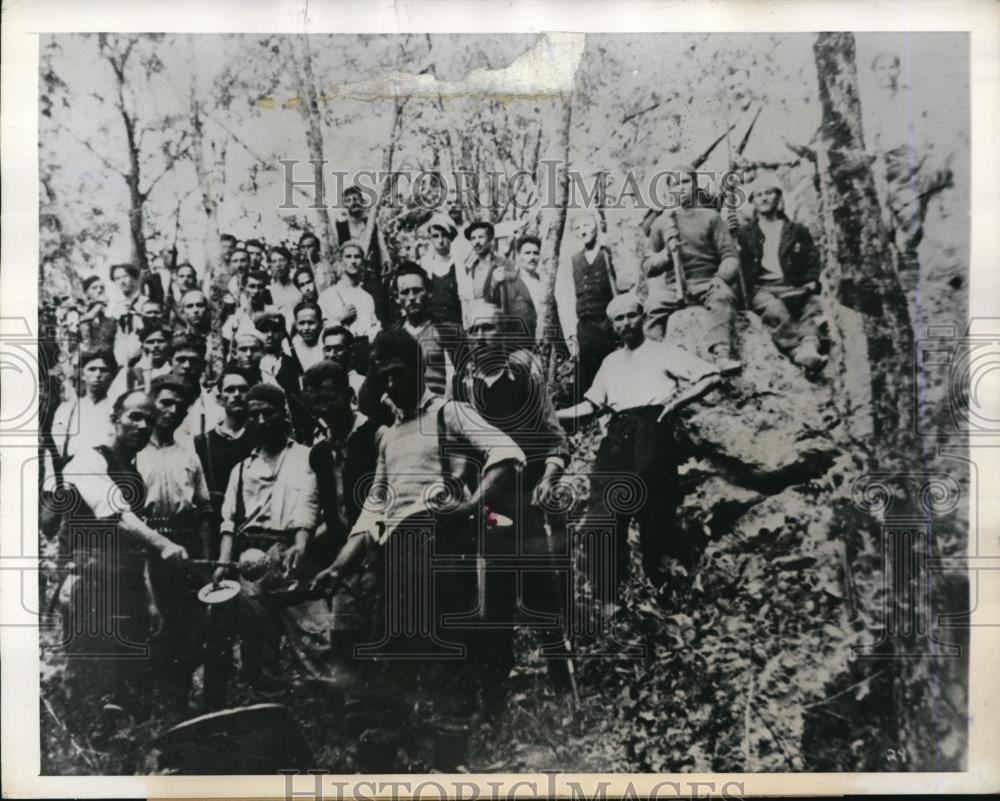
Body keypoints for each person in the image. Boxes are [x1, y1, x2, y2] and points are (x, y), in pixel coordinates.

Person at [312, 328, 526, 770]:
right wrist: (337, 567)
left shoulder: (451, 412)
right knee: (390, 651)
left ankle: (451, 763)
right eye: (382, 375)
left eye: (398, 372)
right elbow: (374, 510)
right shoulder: (387, 436)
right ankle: (383, 760)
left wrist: (471, 503)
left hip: (443, 543)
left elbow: (506, 453)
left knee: (446, 650)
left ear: (419, 368)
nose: (390, 383)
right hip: (396, 552)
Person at [557, 294, 721, 594]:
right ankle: (610, 592)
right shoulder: (611, 361)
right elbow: (591, 406)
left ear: (642, 317)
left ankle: (661, 586)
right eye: (618, 319)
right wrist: (552, 415)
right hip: (618, 436)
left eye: (631, 316)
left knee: (654, 510)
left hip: (653, 431)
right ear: (612, 326)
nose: (626, 323)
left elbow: (711, 375)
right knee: (602, 511)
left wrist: (676, 404)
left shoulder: (663, 352)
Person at [454, 300, 574, 690]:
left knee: (544, 592)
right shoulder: (463, 388)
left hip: (530, 500)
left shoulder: (527, 377)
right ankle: (494, 691)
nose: (483, 337)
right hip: (488, 505)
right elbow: (459, 453)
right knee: (495, 600)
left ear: (503, 334)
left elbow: (557, 439)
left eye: (490, 328)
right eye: (475, 330)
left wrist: (550, 477)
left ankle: (563, 682)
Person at [58, 390, 188, 733]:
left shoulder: (135, 476)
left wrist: (150, 601)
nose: (143, 425)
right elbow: (114, 513)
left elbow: (135, 547)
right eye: (134, 417)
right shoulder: (88, 459)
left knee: (129, 684)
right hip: (91, 585)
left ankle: (132, 756)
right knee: (93, 679)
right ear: (115, 418)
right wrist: (164, 543)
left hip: (127, 585)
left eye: (149, 419)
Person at [213, 383, 320, 687]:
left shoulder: (307, 457)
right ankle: (261, 698)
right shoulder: (243, 467)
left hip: (292, 552)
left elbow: (311, 507)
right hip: (251, 559)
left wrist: (299, 545)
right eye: (254, 415)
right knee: (257, 636)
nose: (261, 422)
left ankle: (325, 697)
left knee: (313, 633)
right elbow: (229, 522)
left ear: (283, 413)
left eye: (268, 414)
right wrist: (223, 563)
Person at [136, 375, 213, 713]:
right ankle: (150, 704)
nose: (172, 411)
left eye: (179, 406)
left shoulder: (189, 454)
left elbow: (205, 508)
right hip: (148, 544)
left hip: (186, 543)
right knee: (155, 623)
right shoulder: (133, 454)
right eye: (165, 402)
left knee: (190, 627)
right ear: (151, 404)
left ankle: (180, 702)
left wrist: (208, 563)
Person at [301, 361, 380, 678]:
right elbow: (321, 507)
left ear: (349, 396)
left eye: (330, 400)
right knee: (344, 638)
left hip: (378, 555)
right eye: (316, 403)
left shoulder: (376, 437)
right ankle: (353, 714)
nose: (324, 410)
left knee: (380, 639)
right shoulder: (319, 452)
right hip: (343, 561)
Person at [643, 165, 741, 373]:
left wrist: (721, 277)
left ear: (695, 185)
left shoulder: (711, 218)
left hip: (707, 281)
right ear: (669, 191)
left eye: (685, 182)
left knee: (722, 297)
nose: (681, 188)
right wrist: (663, 258)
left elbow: (730, 256)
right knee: (653, 305)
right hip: (674, 287)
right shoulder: (661, 223)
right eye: (675, 184)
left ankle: (721, 354)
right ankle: (654, 362)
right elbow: (648, 265)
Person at [867, 51, 954, 266]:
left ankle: (907, 252)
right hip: (886, 163)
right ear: (874, 73)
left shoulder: (911, 98)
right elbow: (870, 140)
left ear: (898, 70)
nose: (887, 73)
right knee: (889, 211)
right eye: (881, 68)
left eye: (891, 67)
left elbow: (927, 128)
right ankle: (898, 252)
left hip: (916, 159)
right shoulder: (870, 103)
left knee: (913, 208)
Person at [737, 172, 825, 372]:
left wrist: (810, 280)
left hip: (791, 284)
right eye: (759, 195)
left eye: (769, 193)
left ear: (778, 197)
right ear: (753, 201)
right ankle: (796, 351)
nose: (764, 198)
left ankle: (810, 345)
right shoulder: (745, 233)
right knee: (776, 310)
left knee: (811, 305)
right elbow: (737, 261)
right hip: (762, 288)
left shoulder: (795, 230)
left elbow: (812, 258)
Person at [554, 210, 621, 390]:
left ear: (596, 227)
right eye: (578, 228)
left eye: (587, 225)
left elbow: (625, 282)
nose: (583, 231)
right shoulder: (573, 261)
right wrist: (572, 335)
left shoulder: (609, 252)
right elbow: (566, 298)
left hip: (610, 323)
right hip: (586, 329)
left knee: (616, 371)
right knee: (590, 376)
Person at [388, 262, 456, 400]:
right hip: (403, 414)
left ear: (429, 292)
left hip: (440, 410)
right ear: (396, 298)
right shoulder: (389, 338)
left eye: (417, 290)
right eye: (405, 292)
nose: (411, 297)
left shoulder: (449, 333)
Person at [50, 348, 117, 463]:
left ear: (111, 376)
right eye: (92, 369)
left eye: (104, 370)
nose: (98, 374)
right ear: (82, 374)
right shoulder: (67, 410)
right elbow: (57, 449)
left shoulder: (117, 410)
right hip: (74, 473)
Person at [318, 242, 381, 341]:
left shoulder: (367, 298)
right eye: (348, 257)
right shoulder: (327, 296)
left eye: (357, 257)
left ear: (362, 262)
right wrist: (338, 318)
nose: (353, 261)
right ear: (341, 261)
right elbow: (319, 332)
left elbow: (374, 330)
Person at [169, 333, 222, 448]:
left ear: (203, 365)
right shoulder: (156, 403)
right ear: (170, 362)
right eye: (181, 360)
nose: (187, 366)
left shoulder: (215, 405)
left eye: (193, 361)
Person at [419, 213, 467, 328]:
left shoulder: (460, 264)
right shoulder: (425, 265)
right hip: (431, 329)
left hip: (456, 328)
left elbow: (467, 301)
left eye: (444, 235)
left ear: (451, 237)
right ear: (430, 238)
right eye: (435, 236)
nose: (440, 241)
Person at [321, 324, 366, 399]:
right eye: (328, 349)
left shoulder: (362, 383)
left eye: (338, 349)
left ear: (352, 351)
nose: (332, 354)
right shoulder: (318, 383)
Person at [267, 246, 302, 331]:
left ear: (289, 262)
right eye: (274, 261)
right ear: (271, 265)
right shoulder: (269, 290)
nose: (278, 265)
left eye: (282, 260)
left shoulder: (299, 286)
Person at [290, 300, 325, 371]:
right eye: (301, 323)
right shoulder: (293, 346)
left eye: (311, 323)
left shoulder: (329, 343)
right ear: (295, 324)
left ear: (321, 323)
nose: (306, 328)